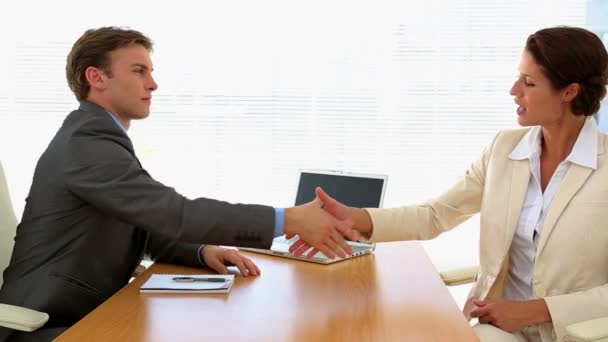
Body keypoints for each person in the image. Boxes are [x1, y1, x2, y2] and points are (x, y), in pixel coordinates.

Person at [0, 27, 356, 342]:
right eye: (139, 71)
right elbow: (174, 212)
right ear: (96, 77)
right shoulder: (87, 142)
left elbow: (143, 223)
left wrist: (199, 252)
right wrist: (289, 219)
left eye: (151, 72)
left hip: (85, 314)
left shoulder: (98, 137)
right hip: (45, 326)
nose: (152, 84)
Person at [292, 26, 608, 342]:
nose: (514, 90)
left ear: (570, 91)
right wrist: (354, 216)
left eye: (528, 82)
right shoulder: (505, 149)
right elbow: (436, 214)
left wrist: (537, 309)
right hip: (498, 330)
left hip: (576, 334)